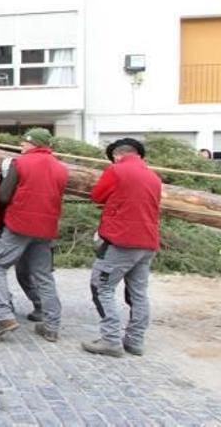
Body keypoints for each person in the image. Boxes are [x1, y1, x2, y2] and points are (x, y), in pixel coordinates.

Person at [0, 128, 68, 342]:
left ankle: (3, 316)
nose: (21, 145)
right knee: (43, 276)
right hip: (46, 227)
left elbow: (3, 196)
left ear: (35, 144)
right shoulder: (61, 168)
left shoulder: (20, 163)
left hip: (19, 225)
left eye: (24, 142)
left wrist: (4, 176)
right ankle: (51, 325)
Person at [82, 138, 161, 358]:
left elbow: (97, 196)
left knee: (101, 287)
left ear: (117, 155)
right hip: (148, 243)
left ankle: (110, 340)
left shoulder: (116, 170)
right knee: (139, 293)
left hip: (122, 241)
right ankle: (135, 341)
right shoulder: (153, 176)